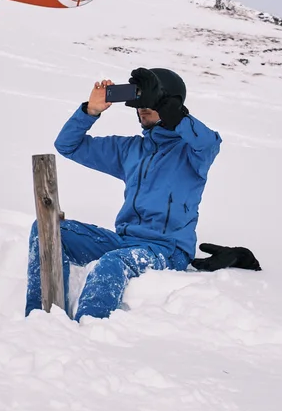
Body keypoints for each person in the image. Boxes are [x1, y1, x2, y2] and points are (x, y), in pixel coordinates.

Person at [27, 69, 223, 320]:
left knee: (113, 263)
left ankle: (87, 332)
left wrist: (167, 108)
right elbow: (68, 145)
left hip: (166, 250)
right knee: (47, 230)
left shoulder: (192, 153)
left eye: (150, 101)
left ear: (170, 102)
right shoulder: (131, 149)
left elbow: (209, 142)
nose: (142, 108)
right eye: (139, 102)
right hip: (124, 242)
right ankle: (39, 319)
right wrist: (91, 110)